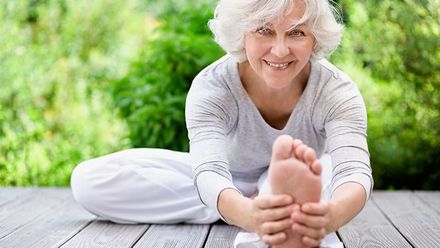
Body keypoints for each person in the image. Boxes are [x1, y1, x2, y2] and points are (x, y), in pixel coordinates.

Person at [70, 0, 373, 247]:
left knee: (329, 169)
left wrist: (332, 215)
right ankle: (264, 207)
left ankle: (271, 202)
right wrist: (246, 212)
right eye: (264, 30)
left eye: (296, 33)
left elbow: (355, 171)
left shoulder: (336, 91)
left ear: (315, 38)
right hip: (229, 175)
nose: (280, 50)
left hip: (309, 171)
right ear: (241, 32)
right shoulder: (212, 87)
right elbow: (209, 170)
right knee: (89, 180)